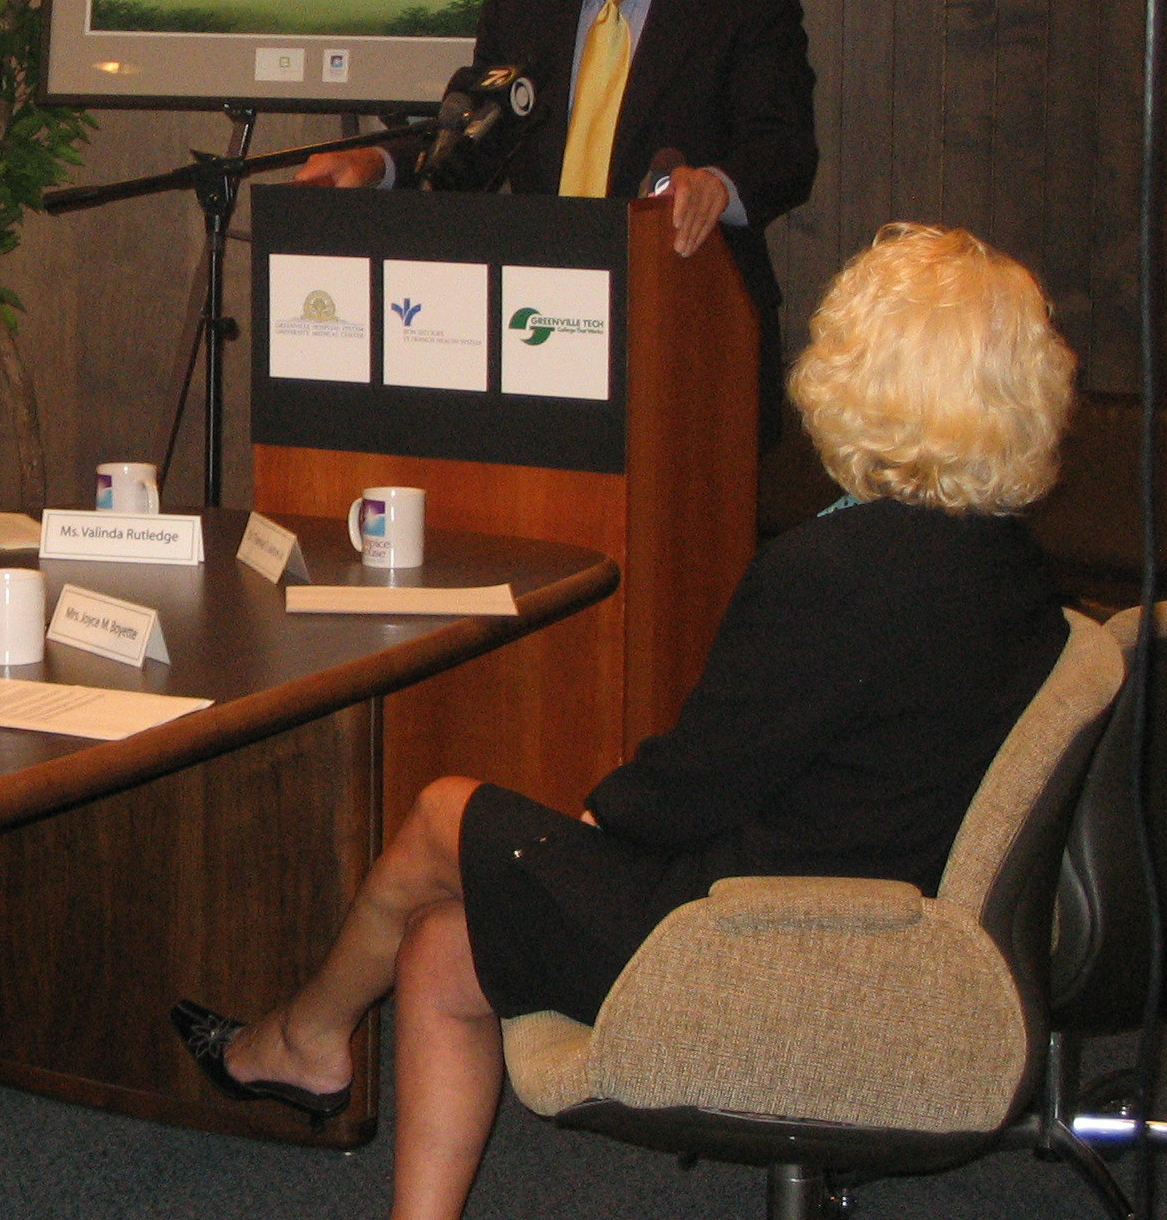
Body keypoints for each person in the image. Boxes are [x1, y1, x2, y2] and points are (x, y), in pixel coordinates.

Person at [172, 223, 1074, 1220]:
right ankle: (323, 1066)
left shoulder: (838, 573)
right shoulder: (1013, 570)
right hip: (862, 912)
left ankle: (304, 1038)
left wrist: (593, 827)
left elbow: (693, 786)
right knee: (440, 947)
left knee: (442, 813)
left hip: (753, 937)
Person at [298, 0, 818, 435]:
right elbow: (473, 136)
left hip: (687, 330)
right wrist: (380, 163)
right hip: (536, 329)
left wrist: (718, 186)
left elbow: (785, 153)